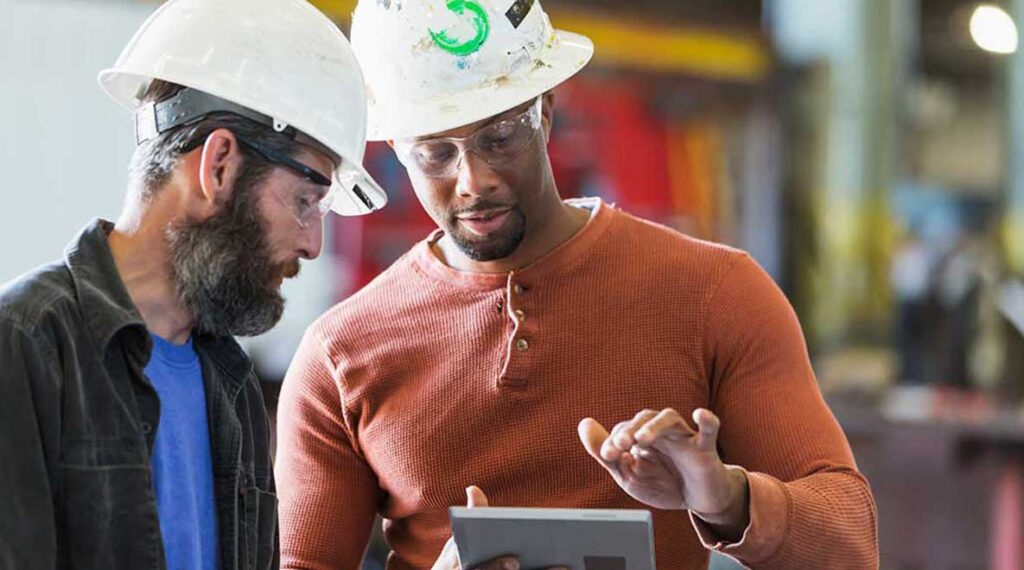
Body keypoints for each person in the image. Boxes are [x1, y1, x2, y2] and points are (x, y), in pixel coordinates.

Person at [275, 1, 878, 568]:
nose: (473, 181)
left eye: (500, 137)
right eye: (434, 153)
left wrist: (726, 498)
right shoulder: (342, 353)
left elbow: (852, 540)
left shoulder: (715, 294)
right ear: (395, 150)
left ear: (545, 108)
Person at [0, 0, 385, 569]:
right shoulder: (27, 344)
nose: (312, 244)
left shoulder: (228, 383)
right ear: (220, 165)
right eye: (306, 201)